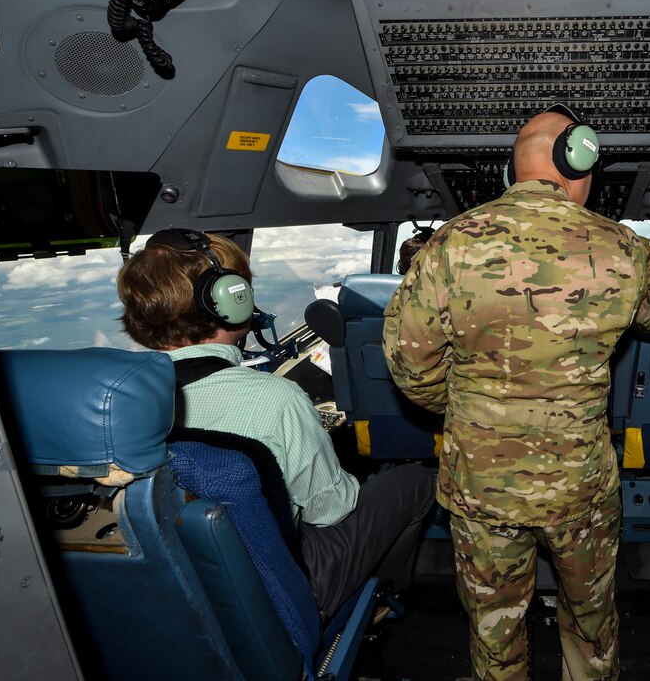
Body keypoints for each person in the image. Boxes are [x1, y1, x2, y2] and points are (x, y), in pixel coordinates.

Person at [382, 104, 650, 681]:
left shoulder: (447, 246)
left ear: (513, 171)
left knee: (494, 624)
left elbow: (409, 364)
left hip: (480, 482)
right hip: (581, 485)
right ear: (580, 161)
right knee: (592, 618)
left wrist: (468, 410)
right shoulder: (626, 250)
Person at [116, 229, 435, 622]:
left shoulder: (111, 406)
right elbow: (331, 511)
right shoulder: (274, 400)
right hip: (281, 590)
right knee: (415, 483)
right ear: (230, 301)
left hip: (178, 590)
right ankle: (381, 593)